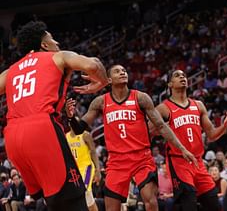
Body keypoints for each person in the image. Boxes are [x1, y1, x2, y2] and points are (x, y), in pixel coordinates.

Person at [0, 21, 108, 211]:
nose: (57, 43)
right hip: (41, 128)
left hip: (12, 137)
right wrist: (102, 81)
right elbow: (93, 64)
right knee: (74, 198)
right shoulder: (58, 57)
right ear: (44, 44)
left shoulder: (10, 71)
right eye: (53, 39)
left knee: (53, 199)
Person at [66, 65, 196, 211]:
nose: (122, 72)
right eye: (117, 71)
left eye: (124, 70)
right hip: (117, 161)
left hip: (142, 158)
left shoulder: (141, 97)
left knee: (151, 201)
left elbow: (161, 126)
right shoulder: (101, 102)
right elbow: (78, 129)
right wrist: (71, 118)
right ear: (109, 80)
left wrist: (182, 149)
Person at [154, 70, 227, 211]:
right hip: (178, 162)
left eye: (184, 75)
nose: (182, 77)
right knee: (189, 204)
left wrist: (225, 124)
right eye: (177, 75)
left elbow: (211, 135)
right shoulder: (163, 108)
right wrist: (160, 129)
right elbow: (148, 131)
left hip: (198, 162)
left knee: (215, 205)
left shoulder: (198, 105)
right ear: (170, 84)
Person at [66, 126, 101, 211]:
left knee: (84, 193)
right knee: (87, 198)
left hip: (86, 168)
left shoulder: (85, 135)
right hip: (74, 171)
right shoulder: (66, 136)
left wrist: (98, 170)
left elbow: (93, 152)